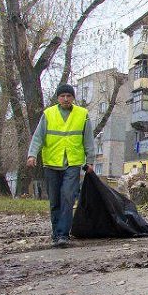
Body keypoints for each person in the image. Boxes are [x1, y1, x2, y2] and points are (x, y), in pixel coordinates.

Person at [26, 85, 96, 247]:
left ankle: (63, 234)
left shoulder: (82, 114)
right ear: (58, 98)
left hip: (72, 163)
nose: (66, 99)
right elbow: (38, 137)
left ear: (73, 98)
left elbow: (88, 139)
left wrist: (90, 161)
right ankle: (56, 233)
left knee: (67, 197)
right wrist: (32, 155)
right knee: (55, 200)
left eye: (69, 96)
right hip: (51, 163)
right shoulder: (48, 114)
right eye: (63, 96)